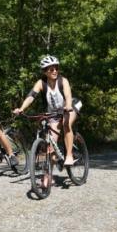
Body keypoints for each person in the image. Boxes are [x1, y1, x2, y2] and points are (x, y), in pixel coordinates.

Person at [12, 55, 81, 187]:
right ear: (45, 71)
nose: (54, 71)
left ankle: (69, 155)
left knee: (66, 123)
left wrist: (67, 106)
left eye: (56, 68)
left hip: (70, 106)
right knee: (50, 146)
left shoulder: (63, 81)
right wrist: (21, 108)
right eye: (50, 69)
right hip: (54, 114)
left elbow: (68, 95)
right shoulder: (41, 83)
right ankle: (48, 177)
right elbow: (31, 96)